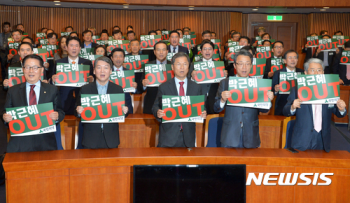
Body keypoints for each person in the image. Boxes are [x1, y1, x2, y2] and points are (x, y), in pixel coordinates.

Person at [2, 54, 65, 153]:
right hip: (20, 144)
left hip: (45, 143)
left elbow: (60, 112)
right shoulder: (13, 90)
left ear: (42, 70)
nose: (31, 71)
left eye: (35, 67)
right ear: (23, 69)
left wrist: (57, 116)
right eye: (27, 67)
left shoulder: (52, 90)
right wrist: (5, 118)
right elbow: (5, 113)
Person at [283, 58, 346, 152]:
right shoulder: (297, 90)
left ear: (323, 72)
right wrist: (292, 107)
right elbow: (285, 111)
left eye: (319, 70)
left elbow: (338, 113)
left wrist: (341, 109)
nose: (316, 73)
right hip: (302, 138)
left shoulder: (330, 90)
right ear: (305, 72)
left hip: (323, 139)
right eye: (312, 70)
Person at [214, 50, 274, 148]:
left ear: (251, 66)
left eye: (247, 64)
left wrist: (268, 100)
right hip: (230, 134)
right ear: (234, 65)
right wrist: (222, 100)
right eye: (241, 64)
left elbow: (264, 109)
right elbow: (216, 108)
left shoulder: (258, 84)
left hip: (251, 134)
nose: (244, 67)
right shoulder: (225, 83)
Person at [152, 52, 207, 147]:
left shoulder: (196, 87)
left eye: (185, 64)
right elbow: (155, 106)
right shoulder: (164, 87)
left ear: (189, 66)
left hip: (188, 137)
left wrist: (204, 112)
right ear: (172, 67)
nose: (182, 67)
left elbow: (202, 107)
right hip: (168, 137)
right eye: (178, 64)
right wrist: (158, 112)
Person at [75, 56, 129, 149]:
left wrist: (125, 111)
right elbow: (76, 111)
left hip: (111, 138)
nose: (102, 71)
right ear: (94, 71)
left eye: (106, 67)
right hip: (90, 138)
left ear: (111, 71)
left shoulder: (118, 89)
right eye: (99, 67)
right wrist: (78, 111)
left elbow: (122, 114)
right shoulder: (85, 89)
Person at [51, 36, 94, 115]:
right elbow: (52, 83)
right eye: (71, 45)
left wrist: (92, 80)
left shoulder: (87, 63)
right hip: (64, 102)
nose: (74, 48)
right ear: (66, 47)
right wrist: (53, 80)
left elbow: (93, 81)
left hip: (82, 102)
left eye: (76, 46)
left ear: (80, 48)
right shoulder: (59, 63)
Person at [189, 40, 227, 114]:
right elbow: (188, 83)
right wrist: (192, 78)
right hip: (199, 98)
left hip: (214, 97)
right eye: (205, 49)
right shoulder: (194, 64)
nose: (207, 51)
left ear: (213, 51)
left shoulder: (218, 65)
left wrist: (224, 77)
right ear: (201, 52)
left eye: (210, 49)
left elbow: (223, 84)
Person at [139, 41, 170, 114]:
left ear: (167, 51)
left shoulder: (172, 65)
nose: (161, 52)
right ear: (154, 52)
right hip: (151, 102)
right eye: (158, 50)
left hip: (168, 102)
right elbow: (141, 86)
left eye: (163, 50)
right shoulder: (148, 65)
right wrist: (144, 84)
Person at [271, 50, 304, 115]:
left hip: (298, 105)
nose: (293, 60)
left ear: (297, 60)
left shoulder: (302, 73)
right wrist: (275, 90)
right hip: (282, 105)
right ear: (285, 61)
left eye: (295, 58)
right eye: (290, 58)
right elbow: (271, 90)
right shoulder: (277, 73)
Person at [110, 48, 135, 113]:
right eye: (115, 56)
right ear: (112, 58)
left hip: (126, 104)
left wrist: (135, 87)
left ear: (124, 58)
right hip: (110, 105)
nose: (118, 59)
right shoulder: (107, 72)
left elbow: (134, 91)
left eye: (120, 56)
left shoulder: (129, 72)